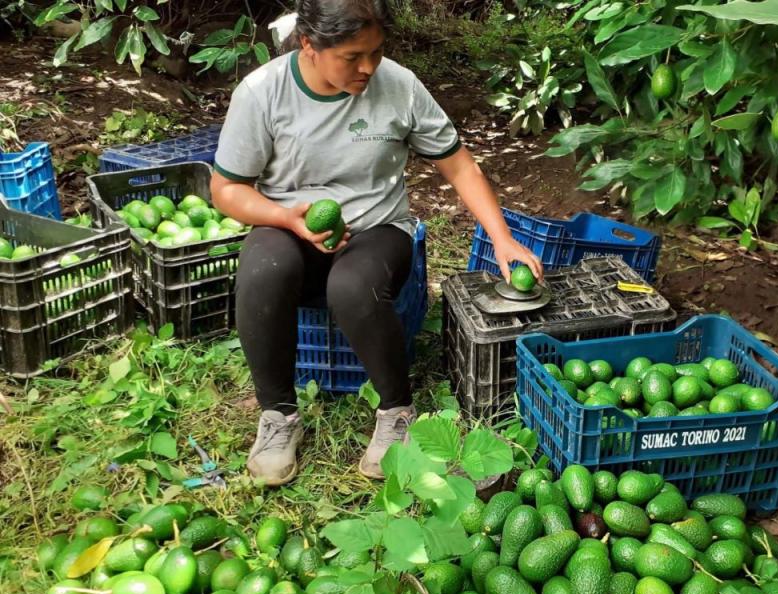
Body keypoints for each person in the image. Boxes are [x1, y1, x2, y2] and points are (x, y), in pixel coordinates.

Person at [210, 0, 544, 487]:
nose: (368, 67)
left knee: (353, 287)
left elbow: (458, 164)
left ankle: (396, 412)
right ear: (309, 45)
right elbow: (227, 190)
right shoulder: (263, 93)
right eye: (352, 57)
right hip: (290, 225)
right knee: (262, 271)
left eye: (376, 52)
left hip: (377, 229)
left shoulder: (399, 86)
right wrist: (287, 217)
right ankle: (278, 416)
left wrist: (503, 239)